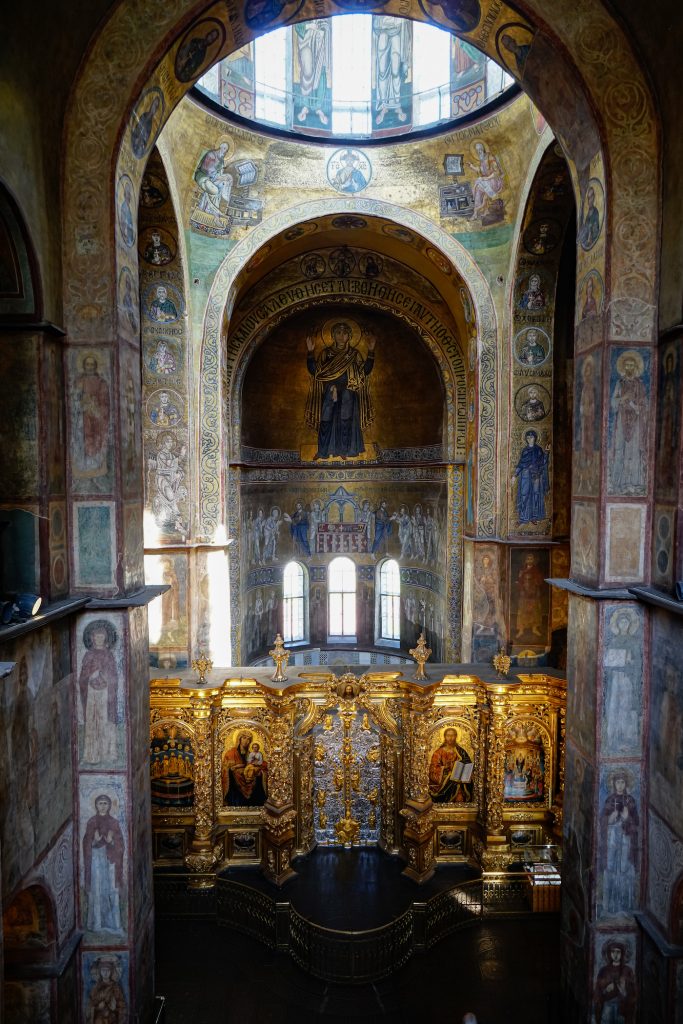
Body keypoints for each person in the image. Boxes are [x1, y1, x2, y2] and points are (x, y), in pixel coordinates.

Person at [305, 321, 375, 459]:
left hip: (348, 392)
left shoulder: (354, 354)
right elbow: (315, 371)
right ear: (333, 336)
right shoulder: (326, 353)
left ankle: (344, 451)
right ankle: (323, 451)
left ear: (349, 336)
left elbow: (364, 371)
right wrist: (310, 352)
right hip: (330, 392)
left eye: (344, 333)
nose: (341, 336)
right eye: (338, 332)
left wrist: (371, 351)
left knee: (345, 420)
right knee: (325, 420)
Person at [80, 620, 119, 765]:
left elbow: (114, 676)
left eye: (102, 636)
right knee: (93, 722)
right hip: (92, 695)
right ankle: (92, 755)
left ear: (106, 638)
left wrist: (104, 677)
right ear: (92, 638)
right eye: (96, 636)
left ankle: (107, 753)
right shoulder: (88, 655)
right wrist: (91, 676)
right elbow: (82, 677)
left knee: (105, 721)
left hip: (105, 695)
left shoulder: (109, 655)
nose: (99, 638)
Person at [83, 795, 124, 933]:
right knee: (97, 889)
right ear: (96, 805)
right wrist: (94, 841)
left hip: (110, 861)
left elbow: (120, 844)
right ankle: (96, 924)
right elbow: (86, 843)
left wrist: (111, 841)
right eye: (100, 803)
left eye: (105, 803)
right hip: (96, 860)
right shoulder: (91, 822)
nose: (103, 806)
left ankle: (114, 925)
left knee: (112, 889)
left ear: (109, 805)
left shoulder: (114, 823)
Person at [601, 772, 638, 915]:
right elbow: (603, 820)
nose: (620, 785)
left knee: (624, 868)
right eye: (618, 782)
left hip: (625, 838)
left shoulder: (630, 800)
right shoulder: (610, 800)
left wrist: (627, 818)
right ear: (614, 784)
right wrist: (611, 818)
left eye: (623, 782)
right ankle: (609, 906)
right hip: (612, 838)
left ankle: (624, 905)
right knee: (611, 868)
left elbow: (636, 821)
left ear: (626, 784)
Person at [609, 352, 646, 494]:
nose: (629, 367)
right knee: (620, 450)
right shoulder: (620, 383)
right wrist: (622, 398)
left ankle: (634, 482)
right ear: (623, 367)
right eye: (627, 365)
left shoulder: (640, 384)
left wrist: (638, 408)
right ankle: (618, 483)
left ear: (635, 367)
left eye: (632, 365)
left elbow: (644, 403)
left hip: (635, 422)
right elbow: (613, 403)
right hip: (622, 420)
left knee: (634, 450)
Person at [74, 355, 110, 477]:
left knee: (95, 440)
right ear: (84, 366)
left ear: (95, 366)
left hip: (96, 417)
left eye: (92, 365)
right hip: (83, 417)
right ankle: (83, 466)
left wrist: (95, 407)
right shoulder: (79, 381)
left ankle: (95, 465)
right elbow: (75, 400)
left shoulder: (101, 383)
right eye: (87, 364)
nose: (89, 367)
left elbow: (104, 402)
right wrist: (81, 403)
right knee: (83, 439)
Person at [373, 16, 409, 125]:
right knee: (382, 72)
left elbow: (402, 24)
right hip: (383, 36)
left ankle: (397, 104)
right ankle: (384, 104)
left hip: (396, 36)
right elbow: (376, 25)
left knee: (395, 72)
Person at [294, 21, 330, 125]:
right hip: (306, 44)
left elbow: (326, 26)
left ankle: (318, 107)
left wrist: (322, 29)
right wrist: (309, 26)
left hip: (319, 47)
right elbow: (298, 26)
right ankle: (305, 104)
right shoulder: (304, 12)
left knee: (320, 77)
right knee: (307, 72)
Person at [513, 430, 550, 524]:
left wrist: (546, 452)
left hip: (536, 476)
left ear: (535, 438)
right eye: (528, 437)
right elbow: (521, 464)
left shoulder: (538, 450)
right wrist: (514, 475)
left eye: (532, 437)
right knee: (524, 494)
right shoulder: (525, 451)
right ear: (526, 439)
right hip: (525, 476)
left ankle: (534, 516)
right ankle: (523, 517)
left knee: (535, 495)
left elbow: (543, 462)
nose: (530, 439)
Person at [594, 941, 636, 1023]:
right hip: (607, 1007)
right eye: (613, 952)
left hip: (622, 1008)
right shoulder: (604, 970)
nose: (615, 955)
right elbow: (597, 992)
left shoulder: (627, 970)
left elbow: (633, 992)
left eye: (618, 952)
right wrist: (606, 990)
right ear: (609, 953)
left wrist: (624, 992)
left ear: (622, 954)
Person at [222, 730, 267, 806]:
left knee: (259, 775)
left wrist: (258, 770)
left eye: (249, 739)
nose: (246, 741)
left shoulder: (251, 754)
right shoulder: (230, 753)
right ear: (239, 739)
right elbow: (225, 769)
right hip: (235, 784)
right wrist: (234, 767)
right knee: (235, 774)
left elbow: (259, 764)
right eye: (244, 738)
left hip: (250, 779)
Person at [429, 727, 473, 802]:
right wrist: (445, 768)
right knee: (454, 783)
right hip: (444, 779)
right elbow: (433, 768)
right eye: (448, 735)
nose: (450, 738)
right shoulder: (438, 752)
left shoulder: (460, 751)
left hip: (459, 778)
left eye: (453, 735)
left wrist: (459, 768)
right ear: (444, 737)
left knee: (458, 786)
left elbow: (468, 763)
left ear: (456, 737)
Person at [193, 142, 233, 219]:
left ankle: (212, 211)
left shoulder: (221, 160)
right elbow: (205, 168)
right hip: (203, 176)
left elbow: (219, 172)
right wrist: (216, 175)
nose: (224, 151)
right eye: (224, 148)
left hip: (212, 179)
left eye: (226, 150)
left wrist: (222, 177)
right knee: (215, 191)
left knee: (223, 183)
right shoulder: (211, 154)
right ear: (220, 147)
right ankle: (210, 211)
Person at [86, 954, 127, 1023]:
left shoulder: (115, 987)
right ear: (100, 972)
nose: (105, 973)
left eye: (108, 970)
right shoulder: (96, 987)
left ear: (111, 972)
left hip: (112, 1019)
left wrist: (115, 1007)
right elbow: (90, 1004)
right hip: (99, 1020)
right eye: (103, 970)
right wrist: (97, 1007)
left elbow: (122, 1005)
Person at [469, 140, 505, 220]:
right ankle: (479, 212)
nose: (479, 151)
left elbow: (497, 172)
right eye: (477, 150)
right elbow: (481, 172)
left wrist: (486, 178)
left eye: (480, 149)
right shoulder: (481, 161)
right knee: (479, 189)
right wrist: (472, 167)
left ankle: (477, 210)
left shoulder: (490, 156)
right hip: (487, 181)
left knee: (478, 185)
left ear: (483, 149)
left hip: (495, 180)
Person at [514, 553, 545, 639]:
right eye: (528, 558)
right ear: (525, 560)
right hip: (524, 594)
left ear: (534, 560)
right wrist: (521, 586)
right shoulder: (522, 570)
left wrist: (535, 581)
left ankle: (534, 628)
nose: (529, 560)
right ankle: (521, 629)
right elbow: (519, 581)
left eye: (531, 558)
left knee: (535, 611)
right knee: (522, 611)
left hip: (533, 594)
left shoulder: (536, 570)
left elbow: (540, 581)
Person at [580, 184, 601, 249]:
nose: (590, 200)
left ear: (594, 197)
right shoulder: (587, 213)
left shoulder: (595, 212)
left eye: (591, 197)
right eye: (588, 198)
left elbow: (595, 231)